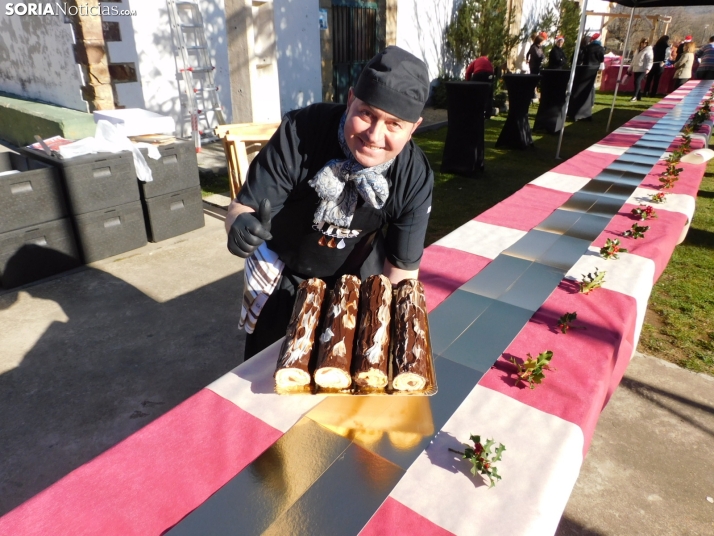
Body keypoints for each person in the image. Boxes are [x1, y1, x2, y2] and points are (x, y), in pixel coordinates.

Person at [226, 46, 433, 360]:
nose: (375, 136)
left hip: (357, 284)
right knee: (268, 378)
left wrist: (391, 337)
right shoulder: (302, 131)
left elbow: (402, 273)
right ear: (350, 100)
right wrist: (239, 225)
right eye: (367, 113)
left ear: (414, 128)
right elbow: (242, 207)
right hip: (285, 277)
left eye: (394, 124)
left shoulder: (413, 176)